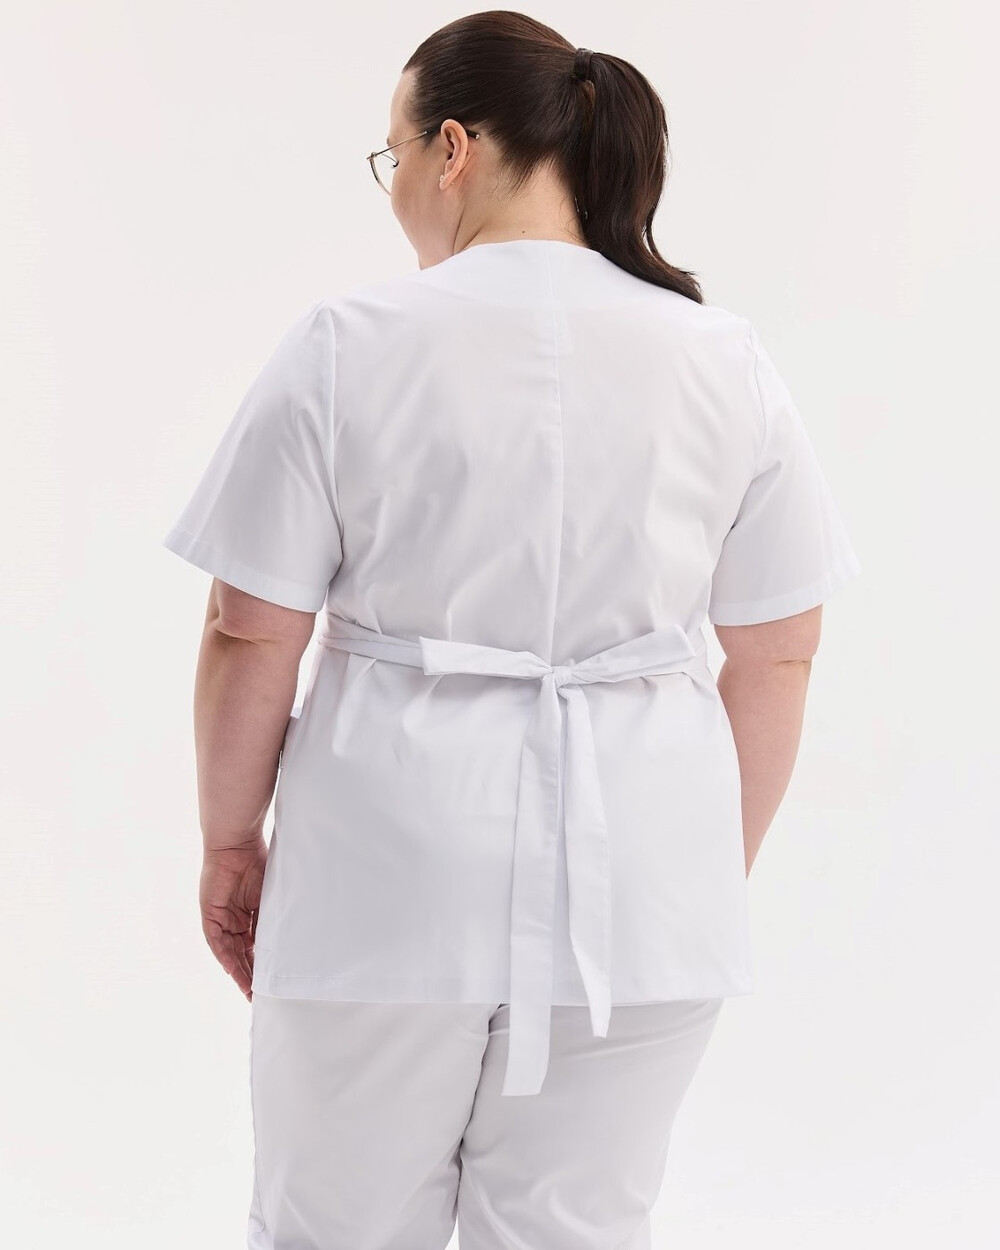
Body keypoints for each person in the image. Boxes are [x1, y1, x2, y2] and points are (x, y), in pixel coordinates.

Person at [162, 12, 862, 1250]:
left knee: (336, 1228)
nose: (395, 193)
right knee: (572, 1231)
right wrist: (695, 863)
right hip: (641, 879)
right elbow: (779, 648)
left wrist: (230, 841)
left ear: (451, 149)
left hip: (387, 863)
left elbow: (250, 629)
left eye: (390, 158)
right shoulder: (722, 356)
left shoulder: (349, 345)